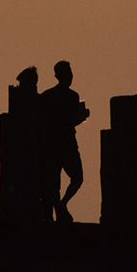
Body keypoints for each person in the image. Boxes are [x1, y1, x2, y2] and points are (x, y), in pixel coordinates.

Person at [39, 60, 90, 223]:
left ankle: (60, 206)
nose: (70, 77)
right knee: (75, 177)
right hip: (64, 142)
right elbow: (70, 120)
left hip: (53, 143)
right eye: (68, 74)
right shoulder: (71, 96)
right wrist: (83, 117)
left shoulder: (46, 95)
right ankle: (61, 205)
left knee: (55, 181)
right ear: (60, 76)